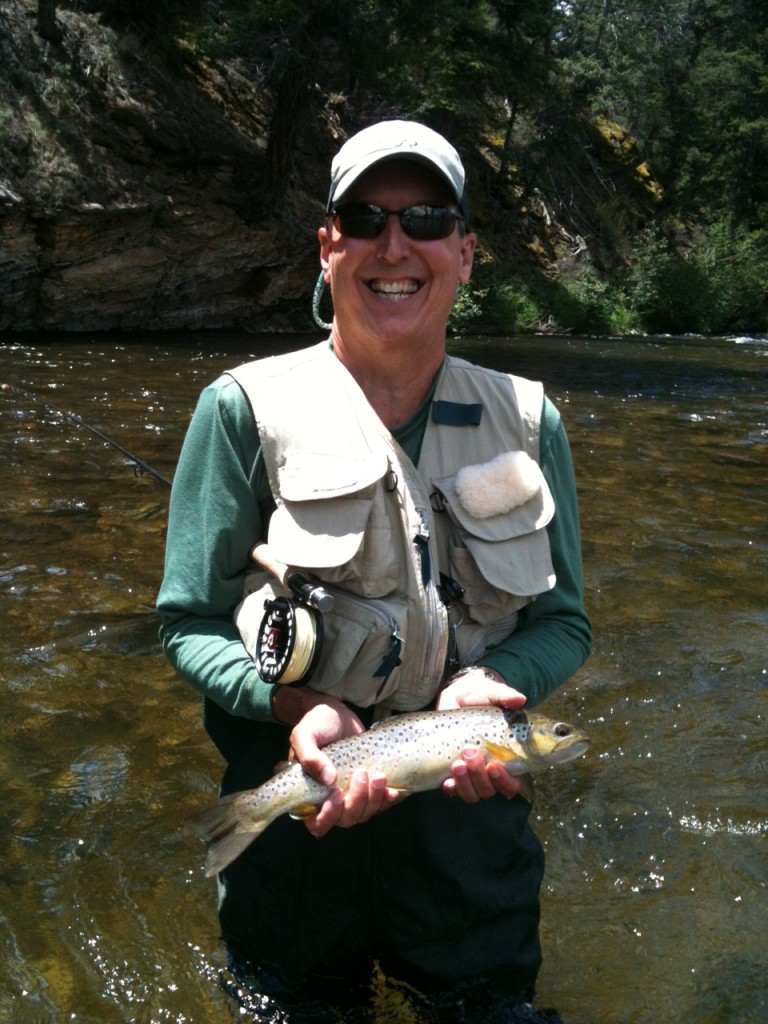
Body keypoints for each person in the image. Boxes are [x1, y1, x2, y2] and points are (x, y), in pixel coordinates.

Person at [157, 120, 591, 1022]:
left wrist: (495, 681)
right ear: (328, 248)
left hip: (471, 848)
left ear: (466, 254)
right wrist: (292, 704)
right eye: (365, 218)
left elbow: (565, 623)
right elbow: (188, 623)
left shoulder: (529, 420)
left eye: (427, 219)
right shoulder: (241, 411)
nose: (396, 245)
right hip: (300, 829)